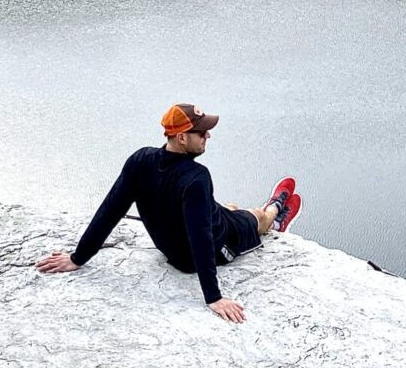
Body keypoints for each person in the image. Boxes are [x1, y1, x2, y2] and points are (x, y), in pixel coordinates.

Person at [34, 103, 299, 324]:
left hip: (173, 245)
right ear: (182, 137)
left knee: (224, 208)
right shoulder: (197, 177)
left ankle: (246, 209)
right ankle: (276, 212)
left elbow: (110, 210)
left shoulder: (141, 160)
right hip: (214, 248)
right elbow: (201, 237)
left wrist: (78, 258)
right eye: (202, 132)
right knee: (254, 219)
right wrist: (213, 297)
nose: (208, 136)